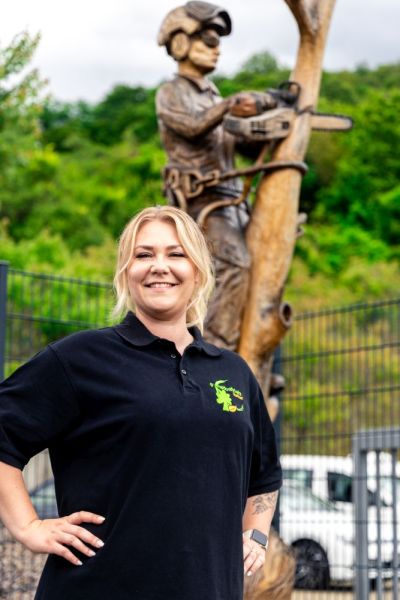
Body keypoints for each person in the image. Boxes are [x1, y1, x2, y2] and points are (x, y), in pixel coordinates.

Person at [0, 205, 282, 600]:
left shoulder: (234, 373)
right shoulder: (80, 359)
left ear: (198, 271)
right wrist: (28, 527)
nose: (159, 266)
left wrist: (255, 535)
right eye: (143, 254)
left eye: (176, 254)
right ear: (126, 272)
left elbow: (264, 474)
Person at [156, 1, 281, 351]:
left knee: (262, 267)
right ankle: (214, 352)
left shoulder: (213, 96)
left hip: (233, 202)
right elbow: (192, 126)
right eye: (209, 40)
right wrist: (230, 106)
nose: (217, 49)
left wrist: (268, 124)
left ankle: (252, 355)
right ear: (181, 42)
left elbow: (239, 146)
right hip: (201, 203)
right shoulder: (171, 92)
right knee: (234, 265)